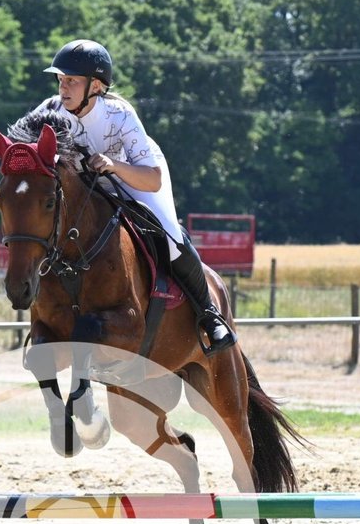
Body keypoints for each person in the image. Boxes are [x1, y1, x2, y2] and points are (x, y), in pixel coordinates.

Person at [35, 39, 236, 355]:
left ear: (96, 86)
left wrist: (114, 165)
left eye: (72, 80)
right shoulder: (50, 110)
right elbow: (20, 144)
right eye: (61, 79)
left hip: (133, 177)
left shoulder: (119, 115)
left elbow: (152, 179)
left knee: (170, 236)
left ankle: (209, 316)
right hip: (85, 189)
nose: (63, 87)